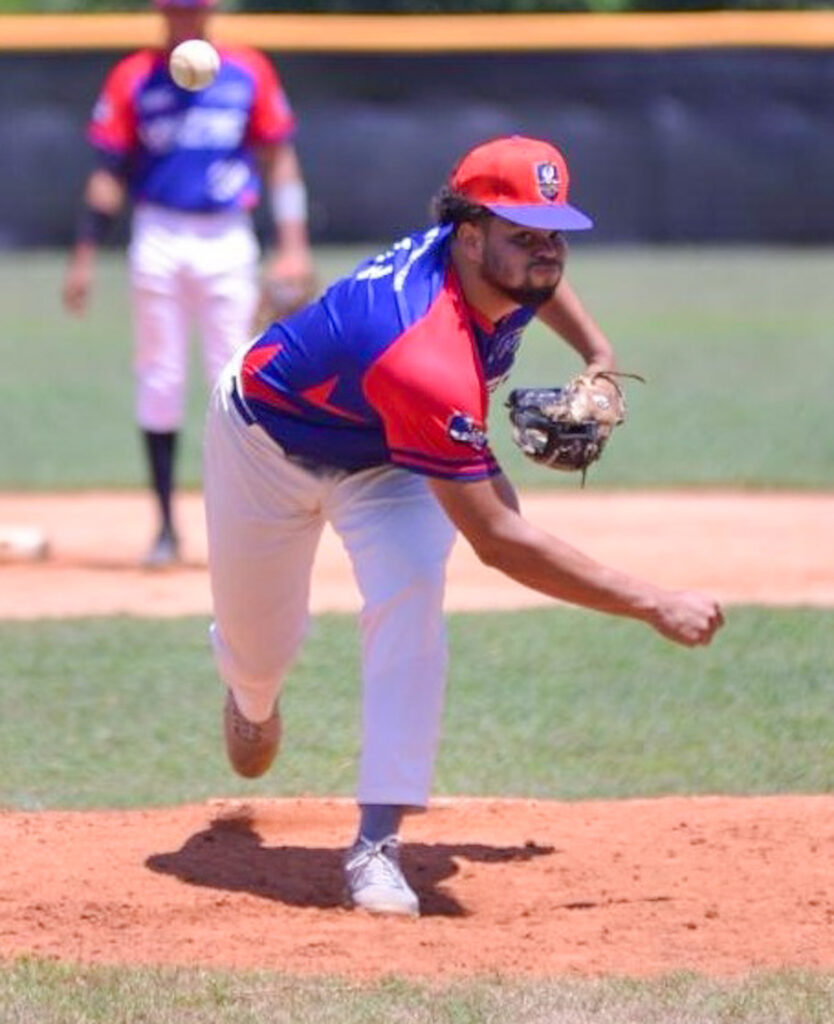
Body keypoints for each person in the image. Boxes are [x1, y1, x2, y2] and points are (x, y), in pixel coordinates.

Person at [203, 134, 724, 917]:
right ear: (469, 235)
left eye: (555, 233)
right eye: (524, 234)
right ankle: (249, 694)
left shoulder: (498, 262)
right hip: (265, 441)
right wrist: (653, 602)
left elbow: (539, 285)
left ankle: (376, 844)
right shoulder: (422, 347)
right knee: (261, 646)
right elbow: (499, 540)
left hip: (390, 457)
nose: (546, 253)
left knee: (412, 592)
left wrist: (599, 349)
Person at [62, 0, 314, 568]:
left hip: (227, 235)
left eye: (192, 7)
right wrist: (83, 255)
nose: (183, 17)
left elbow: (279, 159)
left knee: (236, 377)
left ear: (210, 11)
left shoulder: (248, 70)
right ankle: (166, 528)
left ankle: (252, 524)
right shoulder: (133, 76)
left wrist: (293, 243)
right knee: (160, 376)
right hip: (158, 234)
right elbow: (108, 173)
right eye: (175, 8)